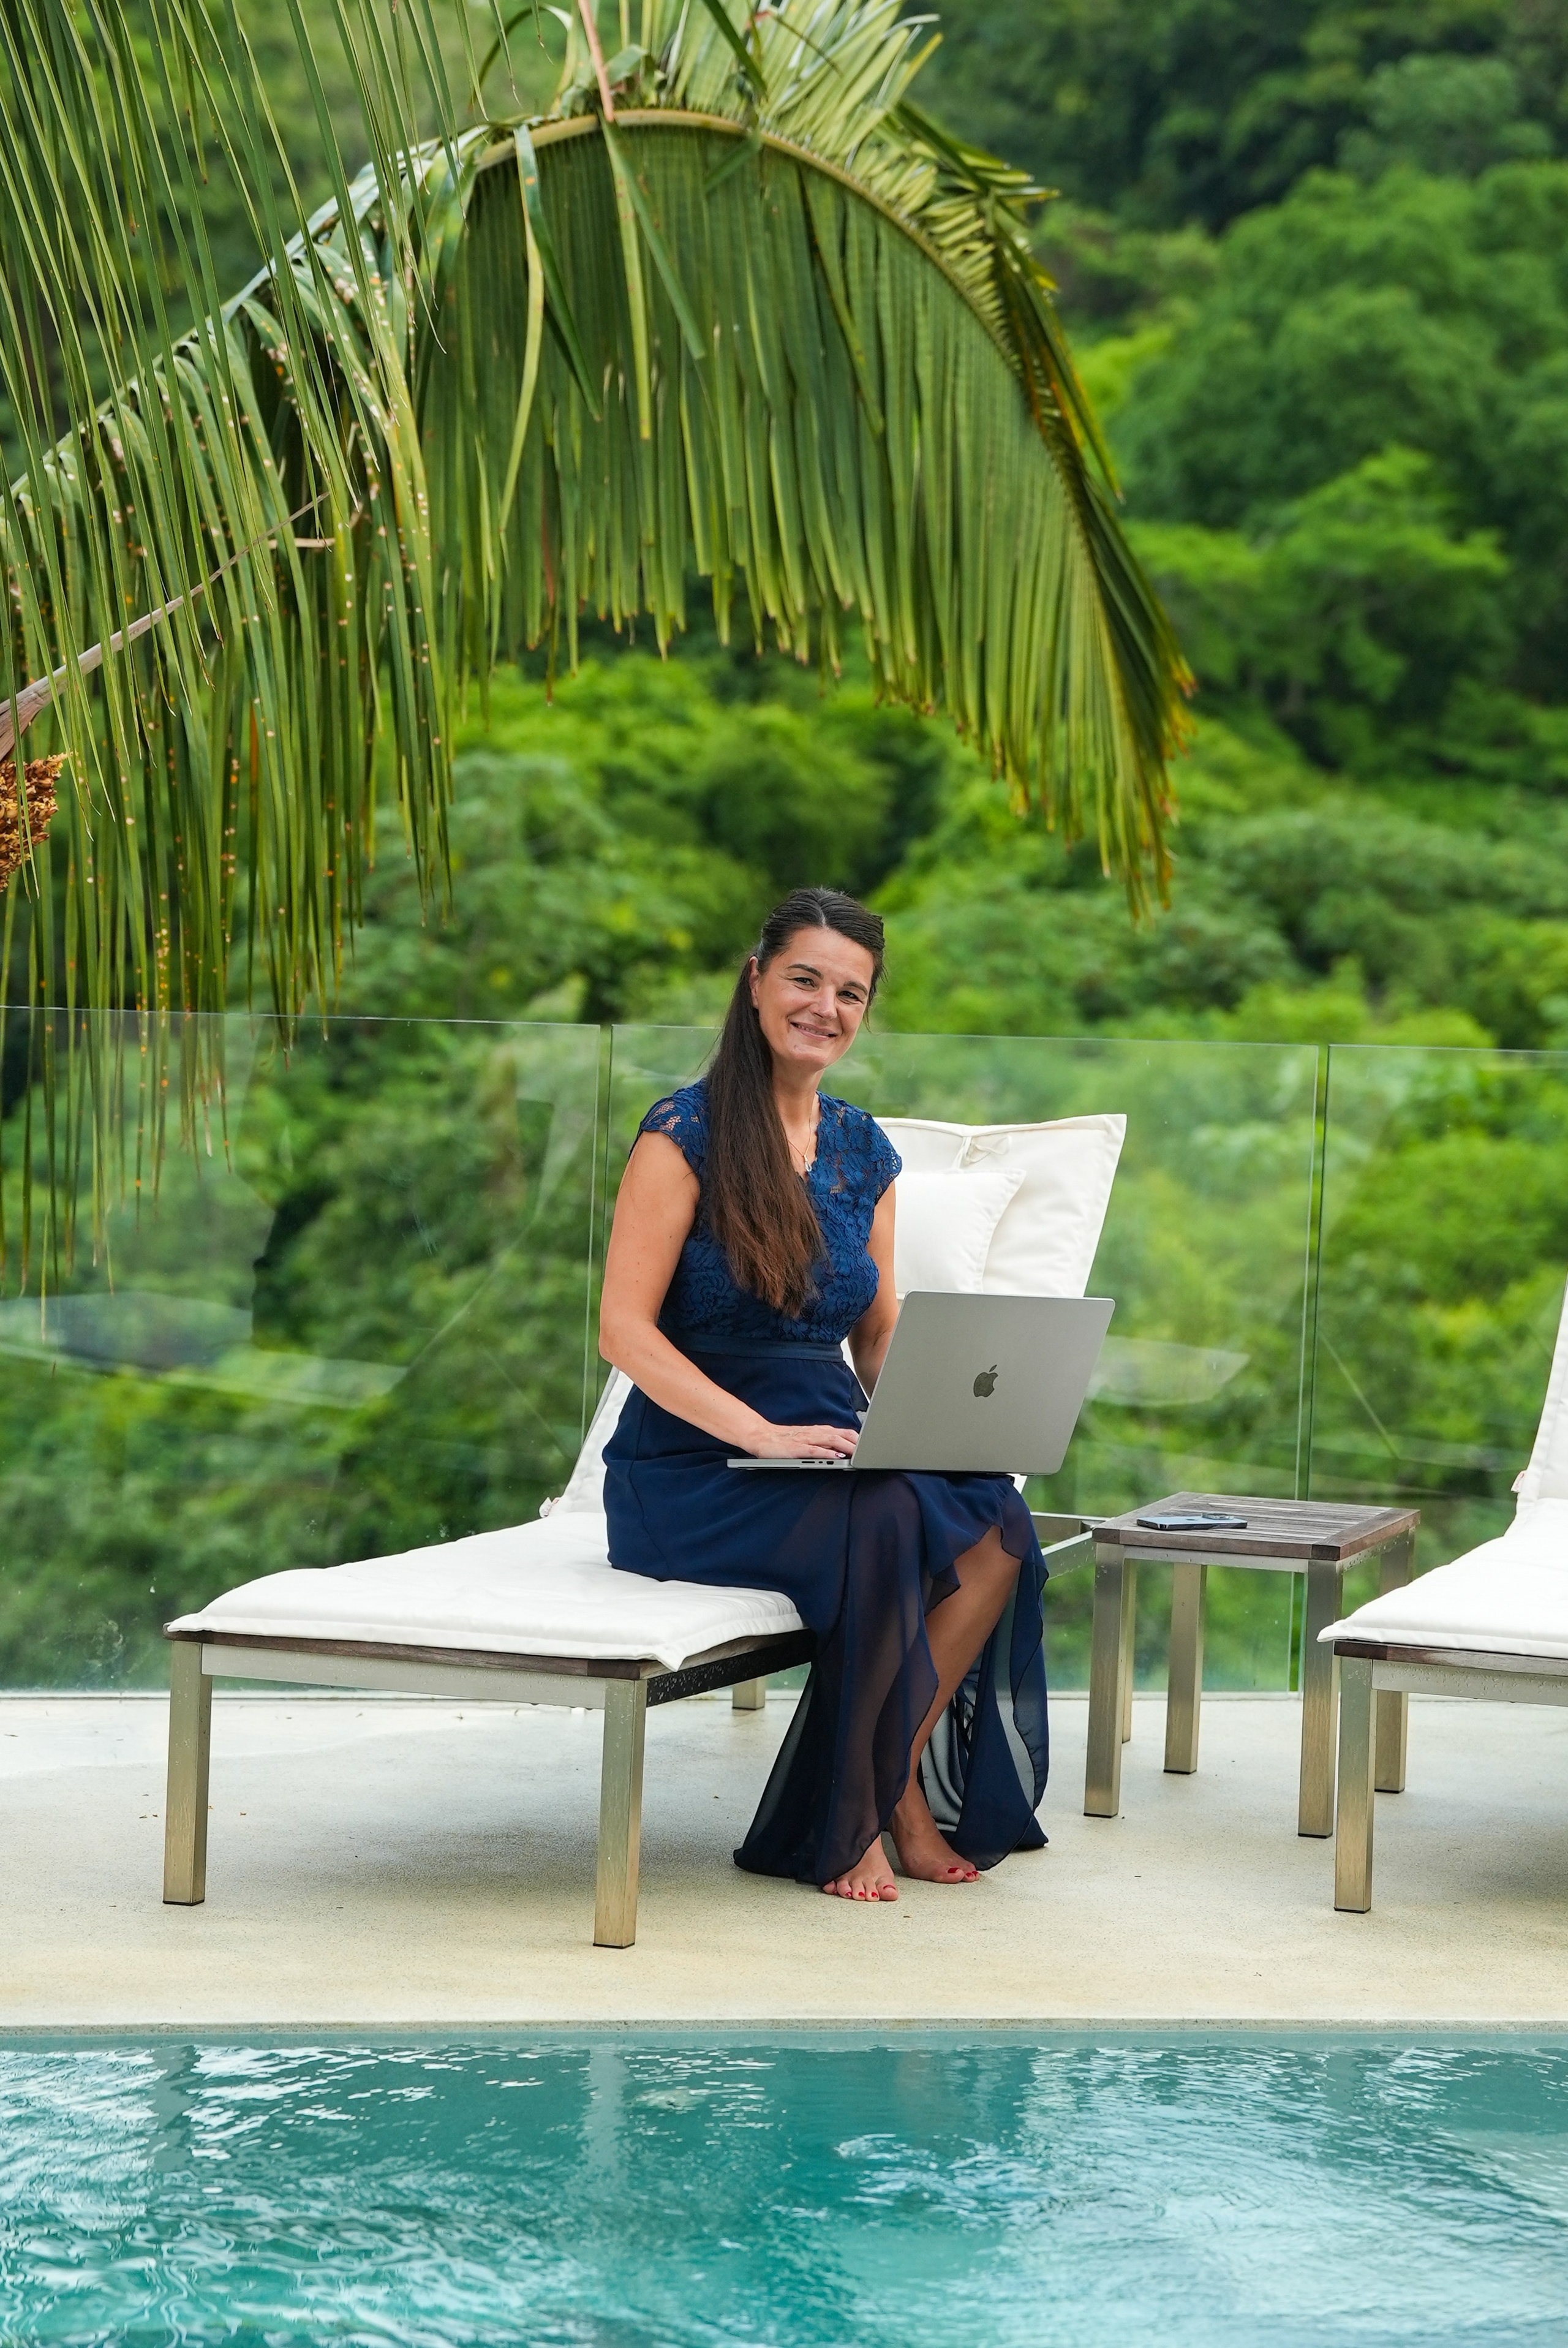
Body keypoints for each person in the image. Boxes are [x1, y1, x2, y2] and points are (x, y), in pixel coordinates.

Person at [598, 886, 1050, 1903]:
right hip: (694, 1462)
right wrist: (760, 1430)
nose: (826, 1007)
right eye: (805, 978)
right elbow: (622, 1329)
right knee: (887, 1514)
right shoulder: (684, 1134)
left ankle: (885, 1786)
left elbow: (876, 1332)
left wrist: (947, 1415)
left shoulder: (862, 1148)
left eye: (852, 992)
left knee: (997, 1523)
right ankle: (864, 1815)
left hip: (830, 1444)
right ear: (755, 982)